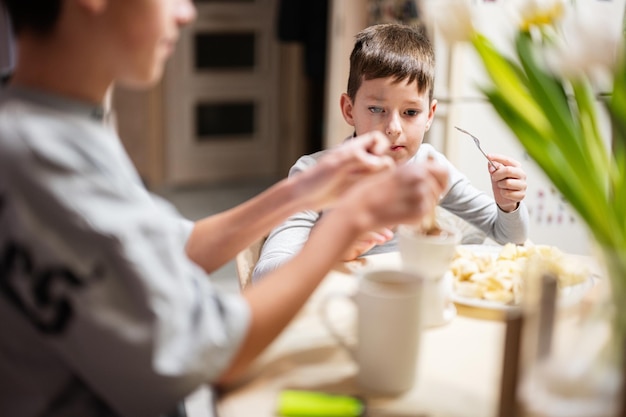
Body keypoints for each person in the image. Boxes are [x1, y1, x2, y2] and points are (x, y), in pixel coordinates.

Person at [0, 1, 449, 417]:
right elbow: (210, 351)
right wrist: (350, 221)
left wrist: (303, 192)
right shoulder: (38, 158)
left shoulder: (61, 123)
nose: (186, 12)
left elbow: (177, 246)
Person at [252, 23, 529, 282]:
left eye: (410, 112)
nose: (393, 128)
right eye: (376, 109)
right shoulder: (314, 173)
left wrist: (508, 204)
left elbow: (510, 237)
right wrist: (333, 248)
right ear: (349, 110)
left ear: (430, 114)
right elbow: (264, 276)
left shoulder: (432, 167)